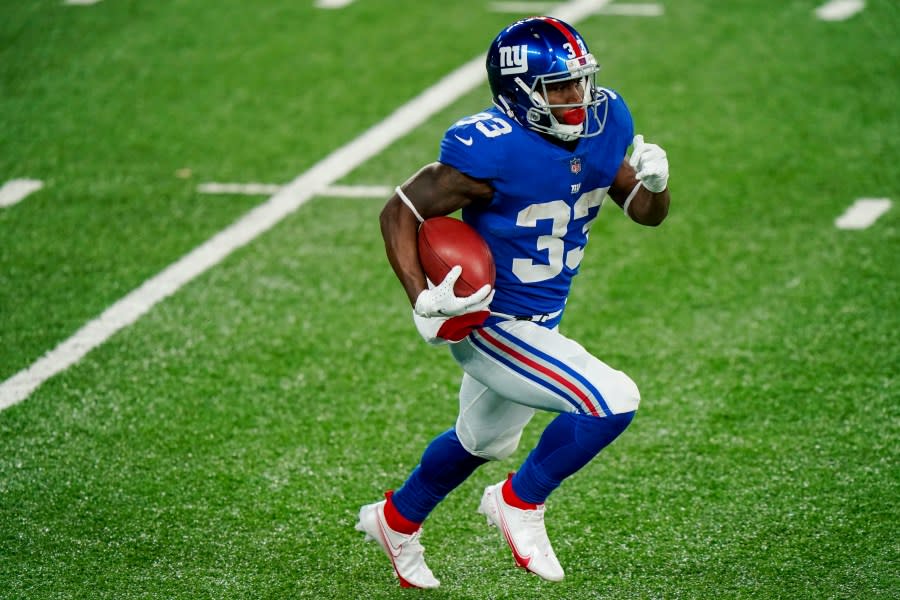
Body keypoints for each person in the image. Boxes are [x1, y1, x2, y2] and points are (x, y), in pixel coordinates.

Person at [356, 16, 670, 589]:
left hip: (544, 315)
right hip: (489, 319)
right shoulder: (491, 151)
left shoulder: (605, 122)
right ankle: (518, 503)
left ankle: (395, 520)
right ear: (518, 93)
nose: (576, 97)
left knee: (483, 440)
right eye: (558, 87)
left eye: (581, 81)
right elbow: (400, 209)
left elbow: (644, 213)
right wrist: (420, 296)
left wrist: (653, 186)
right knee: (613, 400)